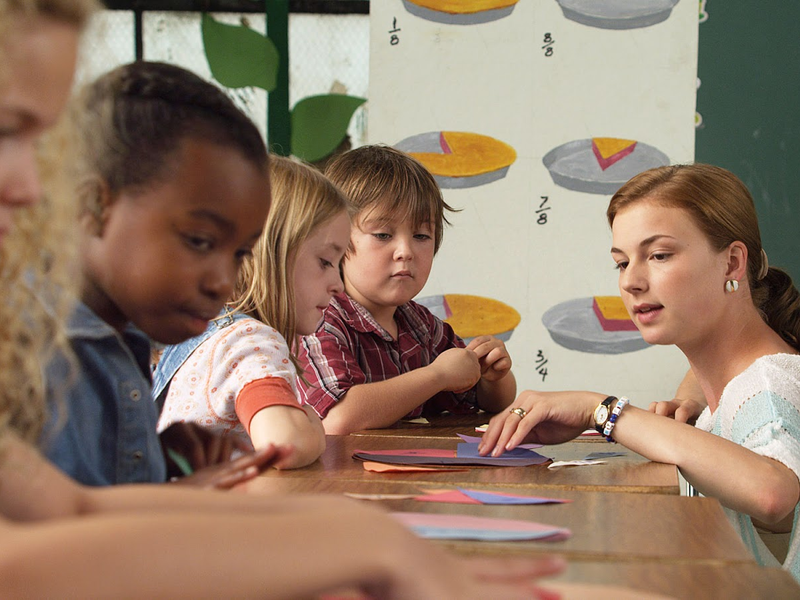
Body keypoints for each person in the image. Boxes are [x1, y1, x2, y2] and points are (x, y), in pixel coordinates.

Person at [0, 1, 568, 596]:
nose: (34, 185)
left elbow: (74, 510)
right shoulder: (63, 346)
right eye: (199, 240)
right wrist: (372, 543)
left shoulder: (114, 343)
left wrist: (186, 491)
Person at [480, 163, 800, 581]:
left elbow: (772, 492)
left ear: (732, 263)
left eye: (659, 255)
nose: (631, 281)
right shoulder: (740, 373)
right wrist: (688, 401)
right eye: (621, 262)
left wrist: (600, 410)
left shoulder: (765, 384)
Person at [39, 59, 279, 488]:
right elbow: (51, 527)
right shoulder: (37, 355)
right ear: (92, 205)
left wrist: (151, 458)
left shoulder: (122, 340)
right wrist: (179, 500)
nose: (222, 283)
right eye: (199, 241)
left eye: (240, 253)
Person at [298, 145, 517, 434]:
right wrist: (437, 375)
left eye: (421, 236)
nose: (405, 251)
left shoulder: (421, 325)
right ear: (336, 241)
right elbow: (338, 419)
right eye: (383, 235)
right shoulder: (318, 320)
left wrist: (493, 376)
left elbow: (489, 402)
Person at [154, 156, 349, 469]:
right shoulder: (251, 340)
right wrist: (313, 426)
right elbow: (285, 445)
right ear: (269, 252)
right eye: (325, 262)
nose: (338, 284)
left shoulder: (203, 332)